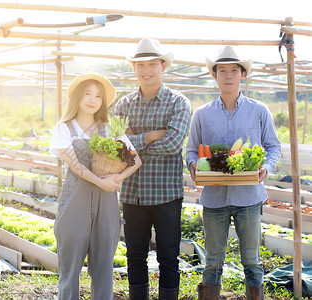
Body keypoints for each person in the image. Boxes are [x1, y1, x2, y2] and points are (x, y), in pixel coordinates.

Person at [185, 45, 281, 300]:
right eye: (222, 70)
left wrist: (266, 167)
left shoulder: (258, 110)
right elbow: (191, 150)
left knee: (252, 261)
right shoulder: (202, 114)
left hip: (249, 197)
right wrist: (193, 165)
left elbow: (274, 146)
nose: (228, 75)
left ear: (243, 75)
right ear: (215, 75)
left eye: (234, 70)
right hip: (214, 198)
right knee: (212, 263)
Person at [49, 72, 142, 300]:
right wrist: (101, 181)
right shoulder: (64, 128)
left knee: (103, 268)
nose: (93, 99)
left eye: (98, 96)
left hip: (106, 201)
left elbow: (135, 160)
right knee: (70, 270)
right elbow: (75, 165)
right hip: (75, 201)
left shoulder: (109, 129)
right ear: (78, 97)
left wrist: (116, 180)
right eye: (88, 94)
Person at [114, 38, 192, 300]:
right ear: (134, 68)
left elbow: (172, 144)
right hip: (132, 194)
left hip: (166, 194)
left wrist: (134, 142)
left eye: (152, 64)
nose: (146, 70)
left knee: (168, 257)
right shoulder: (124, 105)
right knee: (135, 256)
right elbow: (117, 147)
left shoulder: (178, 102)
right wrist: (150, 137)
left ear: (163, 65)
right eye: (140, 64)